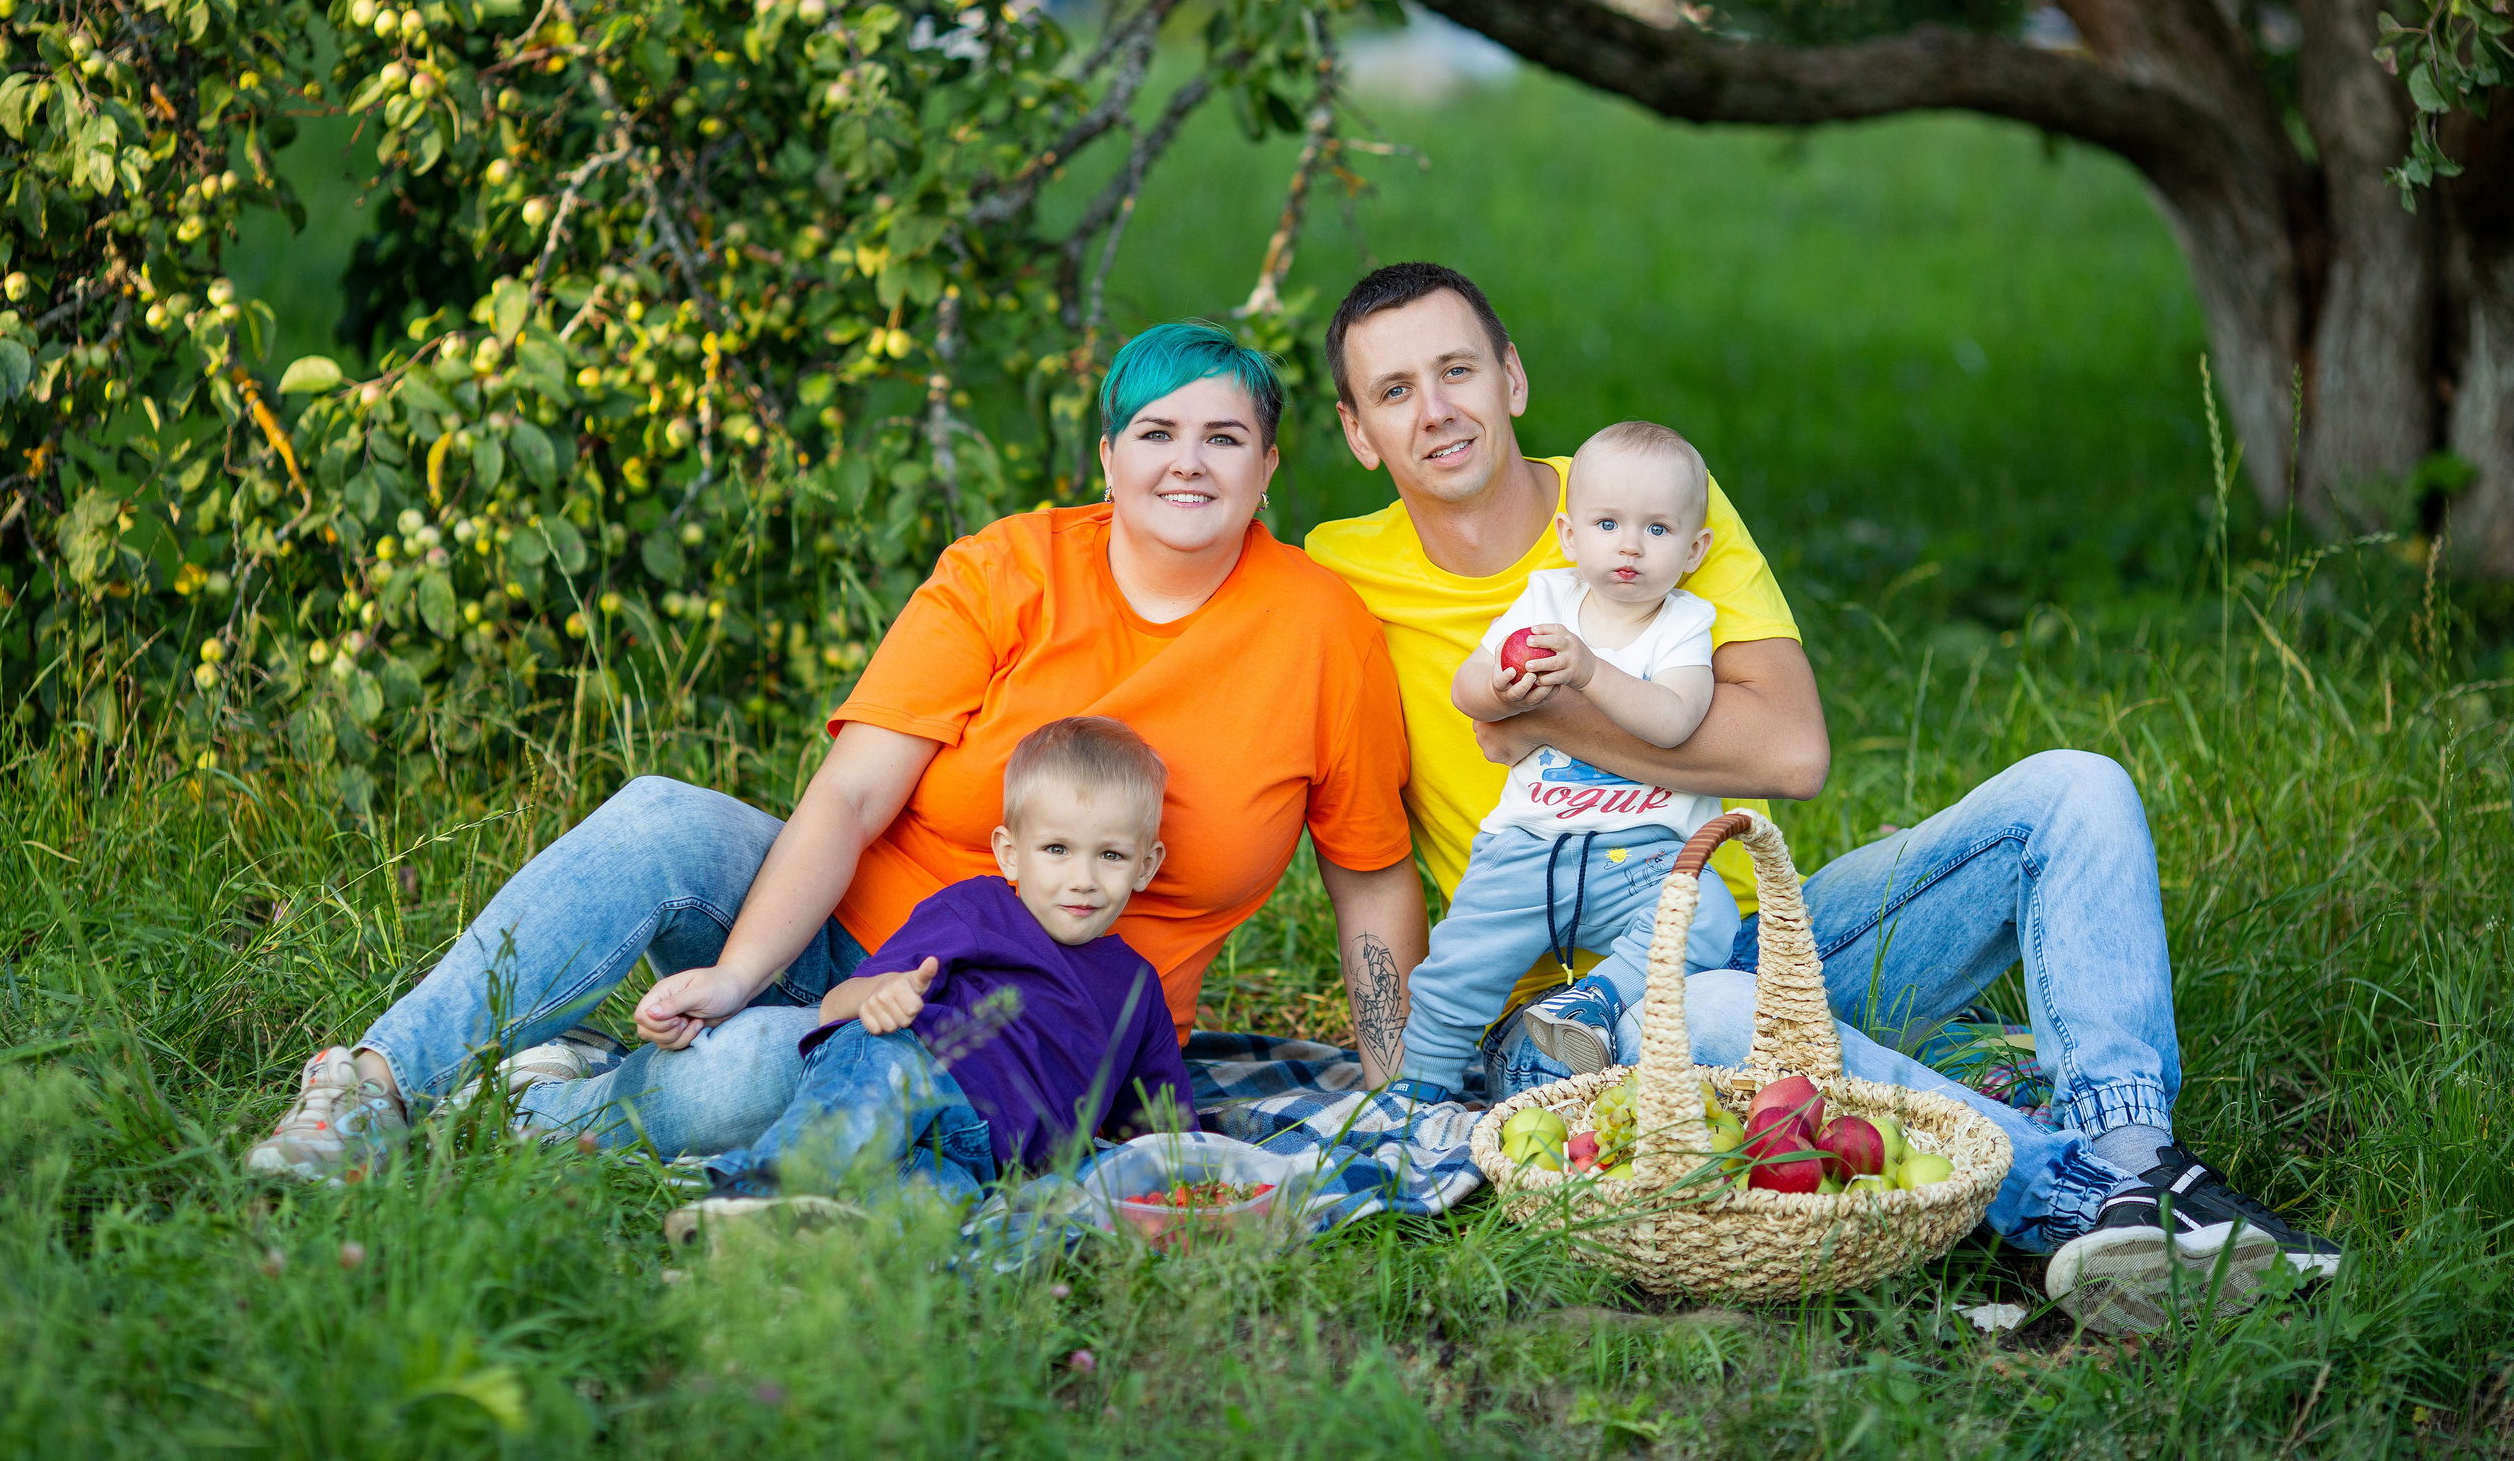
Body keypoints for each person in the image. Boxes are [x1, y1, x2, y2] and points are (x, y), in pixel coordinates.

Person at [1304, 262, 2342, 1333]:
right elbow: (1356, 845)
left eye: (1457, 370)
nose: (1434, 412)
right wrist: (1405, 1095)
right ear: (1356, 431)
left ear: (1511, 377)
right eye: (1393, 392)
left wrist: (1546, 720)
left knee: (2074, 792)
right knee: (1711, 1015)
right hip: (1576, 1032)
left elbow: (1792, 752)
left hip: (1750, 940)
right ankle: (2084, 1206)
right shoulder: (1337, 577)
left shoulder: (1642, 498)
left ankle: (2135, 1154)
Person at [246, 323, 1426, 1185]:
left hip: (1025, 1031)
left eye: (1225, 437)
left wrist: (1395, 1086)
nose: (1189, 463)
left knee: (761, 1069)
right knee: (661, 819)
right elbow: (854, 793)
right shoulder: (1008, 570)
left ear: (1269, 468)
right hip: (843, 936)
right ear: (1108, 457)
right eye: (1156, 432)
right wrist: (742, 969)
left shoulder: (1320, 633)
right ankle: (372, 1085)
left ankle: (541, 1109)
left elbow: (1369, 874)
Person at [666, 718, 1196, 1233]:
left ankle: (786, 1258)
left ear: (1145, 865)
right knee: (871, 1090)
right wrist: (879, 994)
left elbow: (1159, 1133)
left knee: (933, 1210)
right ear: (1010, 854)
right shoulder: (975, 911)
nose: (1082, 880)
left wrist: (1189, 1187)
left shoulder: (1137, 989)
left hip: (988, 1162)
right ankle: (761, 1194)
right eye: (1056, 850)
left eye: (1110, 856)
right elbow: (835, 1007)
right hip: (917, 1068)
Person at [1395, 419, 1739, 1095]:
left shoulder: (1683, 622)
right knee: (1451, 973)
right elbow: (1469, 684)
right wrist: (1497, 686)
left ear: (1695, 548)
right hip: (1525, 848)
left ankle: (1592, 1000)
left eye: (1658, 530)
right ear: (1568, 536)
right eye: (1607, 523)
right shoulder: (1547, 599)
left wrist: (1587, 673)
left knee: (1710, 916)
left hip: (1642, 854)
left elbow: (1673, 720)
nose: (1630, 546)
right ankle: (1414, 1102)